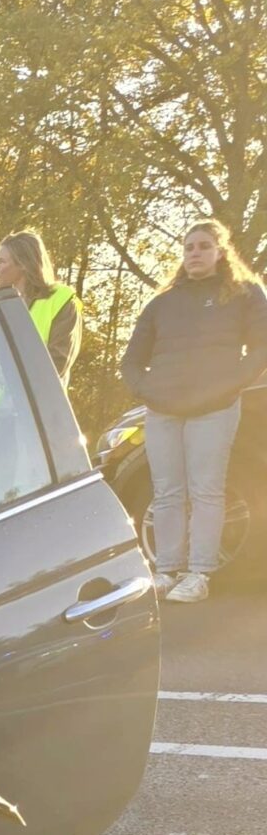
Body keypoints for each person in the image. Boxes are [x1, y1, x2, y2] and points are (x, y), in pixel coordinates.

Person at [122, 219, 267, 602]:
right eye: (189, 248)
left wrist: (230, 385)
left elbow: (262, 346)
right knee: (167, 492)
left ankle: (199, 575)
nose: (195, 253)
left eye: (203, 246)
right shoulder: (162, 303)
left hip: (215, 408)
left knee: (206, 490)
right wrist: (147, 391)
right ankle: (167, 571)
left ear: (221, 252)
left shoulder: (245, 294)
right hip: (163, 411)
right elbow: (131, 361)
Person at [0, 231, 81, 381]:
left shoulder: (61, 300)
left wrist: (2, 375)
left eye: (1, 262)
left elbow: (56, 364)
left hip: (35, 396)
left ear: (23, 264)